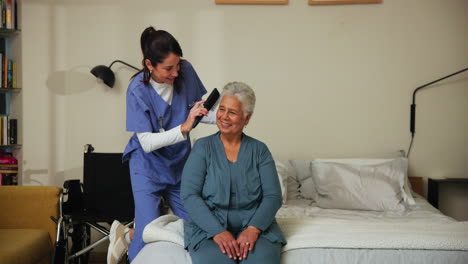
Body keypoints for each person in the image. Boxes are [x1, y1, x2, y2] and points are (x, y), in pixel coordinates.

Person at [121, 26, 215, 262]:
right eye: (168, 68)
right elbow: (147, 142)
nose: (175, 73)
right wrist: (184, 127)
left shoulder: (186, 71)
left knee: (196, 224)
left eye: (178, 65)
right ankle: (134, 237)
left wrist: (226, 117)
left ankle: (127, 234)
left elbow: (199, 110)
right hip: (147, 167)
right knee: (148, 231)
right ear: (149, 65)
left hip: (179, 163)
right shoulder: (137, 90)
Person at [181, 82, 286, 264]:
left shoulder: (259, 150)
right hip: (208, 230)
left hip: (257, 228)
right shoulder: (202, 148)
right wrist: (218, 231)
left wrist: (253, 229)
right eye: (222, 109)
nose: (224, 117)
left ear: (246, 118)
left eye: (233, 112)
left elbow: (273, 196)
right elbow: (189, 195)